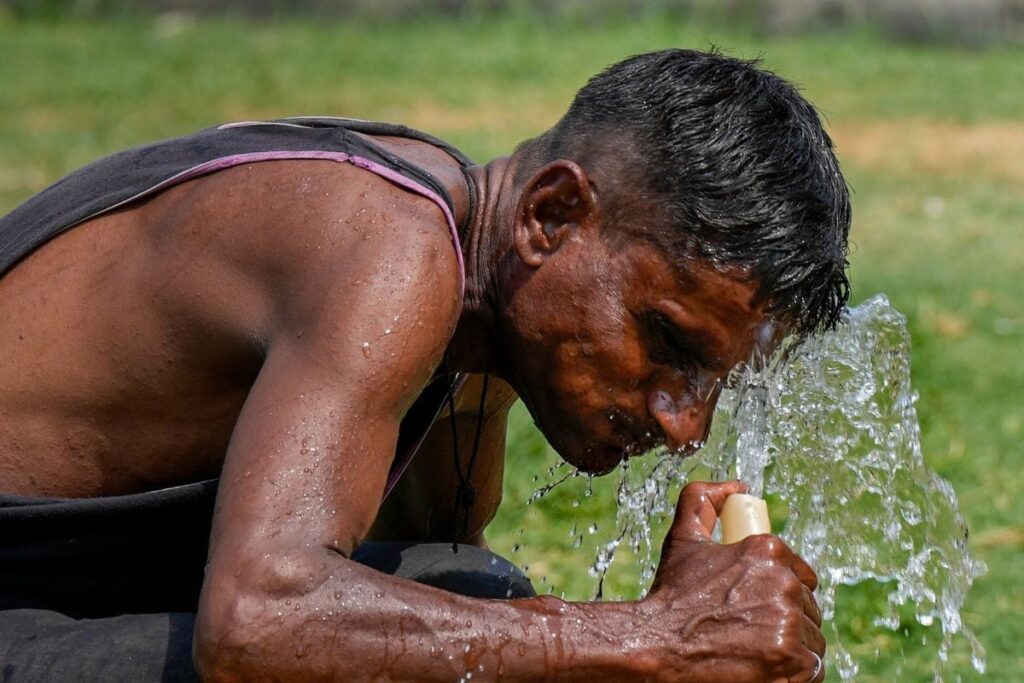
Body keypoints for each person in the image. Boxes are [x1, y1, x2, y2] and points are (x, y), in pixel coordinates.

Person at [0, 48, 849, 682]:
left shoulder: (477, 300)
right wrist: (653, 638)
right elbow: (258, 618)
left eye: (712, 385)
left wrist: (647, 639)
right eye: (668, 343)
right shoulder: (392, 249)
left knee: (469, 587)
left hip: (66, 595)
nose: (682, 423)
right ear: (552, 214)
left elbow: (431, 582)